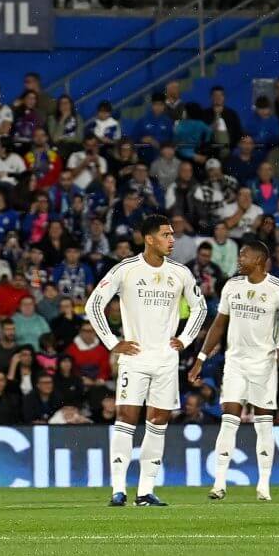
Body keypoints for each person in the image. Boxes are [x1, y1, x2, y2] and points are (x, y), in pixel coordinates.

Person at [84, 213, 206, 506]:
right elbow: (94, 305)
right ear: (149, 239)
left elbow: (200, 308)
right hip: (135, 358)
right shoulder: (126, 269)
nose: (172, 240)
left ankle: (145, 490)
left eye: (172, 234)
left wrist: (185, 339)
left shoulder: (180, 272)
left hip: (166, 360)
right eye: (166, 235)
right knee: (126, 417)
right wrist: (113, 343)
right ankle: (117, 489)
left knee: (159, 421)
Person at [189, 234, 279, 500]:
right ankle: (219, 482)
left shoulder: (278, 289)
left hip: (264, 365)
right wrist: (201, 357)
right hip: (235, 363)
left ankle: (263, 485)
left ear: (258, 260)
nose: (239, 259)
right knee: (229, 420)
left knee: (263, 425)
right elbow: (219, 324)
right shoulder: (232, 286)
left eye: (243, 255)